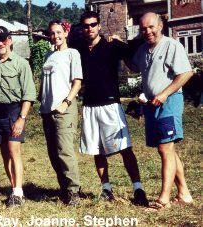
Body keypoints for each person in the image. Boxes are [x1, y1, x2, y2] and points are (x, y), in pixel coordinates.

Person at [76, 11, 148, 206]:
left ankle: (138, 188)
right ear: (82, 28)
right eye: (86, 25)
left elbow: (135, 52)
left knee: (125, 148)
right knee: (97, 150)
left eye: (93, 24)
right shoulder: (80, 48)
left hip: (111, 105)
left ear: (99, 26)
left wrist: (119, 39)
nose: (89, 28)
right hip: (89, 105)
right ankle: (106, 189)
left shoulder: (111, 44)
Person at [132, 12, 193, 210]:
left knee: (164, 148)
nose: (147, 31)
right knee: (168, 150)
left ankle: (163, 198)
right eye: (143, 29)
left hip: (169, 101)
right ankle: (184, 193)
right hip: (151, 105)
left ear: (160, 26)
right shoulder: (142, 49)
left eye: (151, 27)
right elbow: (133, 66)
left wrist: (165, 94)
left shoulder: (172, 45)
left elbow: (186, 73)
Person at [0, 26, 36, 208]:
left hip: (14, 111)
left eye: (4, 39)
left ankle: (18, 193)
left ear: (10, 41)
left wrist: (21, 118)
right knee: (5, 154)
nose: (0, 43)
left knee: (14, 151)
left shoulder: (21, 63)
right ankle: (14, 187)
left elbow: (29, 94)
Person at [38, 20, 82, 206]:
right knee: (53, 153)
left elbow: (77, 82)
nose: (55, 36)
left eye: (59, 32)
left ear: (66, 32)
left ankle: (74, 192)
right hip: (47, 110)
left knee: (65, 151)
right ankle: (63, 189)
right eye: (52, 33)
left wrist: (66, 102)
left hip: (64, 109)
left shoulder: (72, 54)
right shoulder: (48, 55)